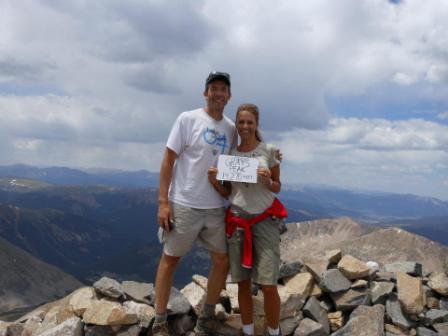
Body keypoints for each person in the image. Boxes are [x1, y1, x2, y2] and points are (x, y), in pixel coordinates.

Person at [152, 71, 239, 336]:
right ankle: (159, 320)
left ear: (229, 96)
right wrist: (163, 202)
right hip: (184, 203)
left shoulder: (231, 129)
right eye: (213, 88)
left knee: (221, 260)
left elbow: (237, 162)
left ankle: (207, 316)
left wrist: (271, 157)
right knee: (170, 259)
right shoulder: (188, 119)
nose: (218, 93)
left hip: (214, 207)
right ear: (205, 93)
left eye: (223, 89)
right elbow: (168, 159)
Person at [208, 103, 287, 336]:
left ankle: (274, 331)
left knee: (268, 284)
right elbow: (228, 193)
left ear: (256, 124)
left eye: (249, 122)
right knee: (242, 283)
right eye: (241, 122)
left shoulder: (269, 151)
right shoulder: (230, 155)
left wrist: (267, 182)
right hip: (237, 221)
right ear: (237, 124)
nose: (245, 126)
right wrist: (214, 180)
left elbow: (277, 187)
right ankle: (248, 330)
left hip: (264, 221)